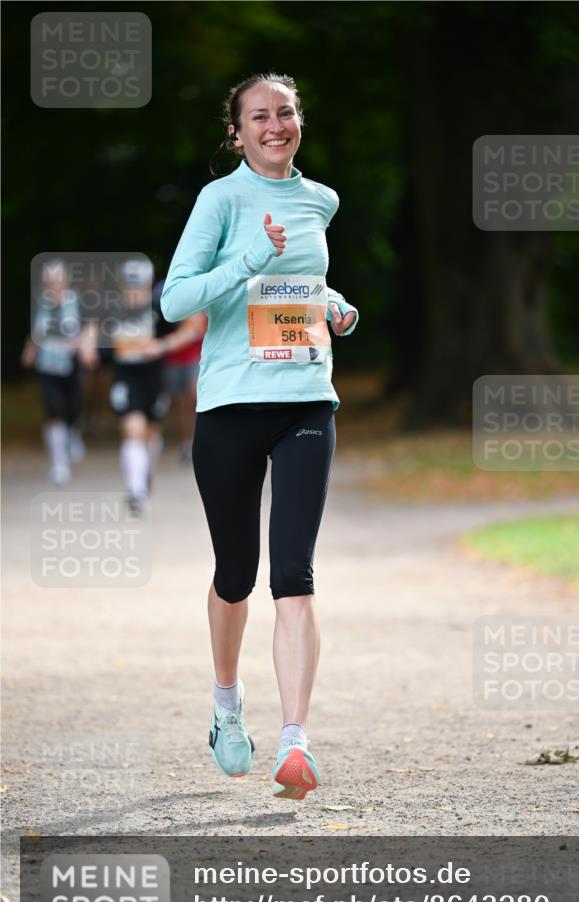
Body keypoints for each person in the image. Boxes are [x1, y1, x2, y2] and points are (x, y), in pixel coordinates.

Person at [160, 72, 359, 801]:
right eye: (258, 117)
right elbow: (175, 298)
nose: (275, 126)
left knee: (294, 575)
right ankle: (225, 705)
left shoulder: (320, 199)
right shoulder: (220, 200)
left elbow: (305, 286)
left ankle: (295, 741)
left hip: (306, 398)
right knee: (236, 572)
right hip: (228, 407)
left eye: (285, 113)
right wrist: (247, 260)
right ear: (237, 131)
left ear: (297, 120)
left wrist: (339, 309)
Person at [103, 260, 202, 515]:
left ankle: (143, 477)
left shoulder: (160, 307)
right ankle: (135, 491)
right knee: (133, 428)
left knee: (150, 435)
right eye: (130, 285)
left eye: (140, 285)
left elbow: (192, 329)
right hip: (126, 379)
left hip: (155, 379)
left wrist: (162, 346)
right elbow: (94, 333)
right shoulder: (113, 309)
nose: (134, 291)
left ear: (148, 284)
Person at [21, 259, 87, 485]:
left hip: (71, 364)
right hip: (47, 365)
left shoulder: (77, 302)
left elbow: (89, 328)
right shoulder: (41, 303)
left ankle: (73, 432)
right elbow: (36, 331)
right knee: (54, 411)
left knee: (72, 408)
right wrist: (30, 350)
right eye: (49, 280)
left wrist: (85, 346)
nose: (53, 284)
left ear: (65, 280)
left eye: (57, 279)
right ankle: (59, 465)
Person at [154, 277, 207, 463]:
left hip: (195, 358)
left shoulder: (203, 291)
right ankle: (178, 441)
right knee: (177, 404)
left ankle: (193, 443)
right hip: (172, 359)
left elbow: (196, 328)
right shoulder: (165, 295)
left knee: (192, 399)